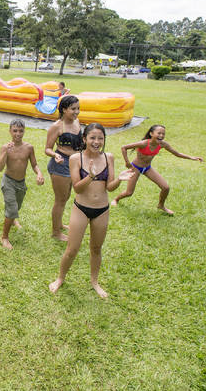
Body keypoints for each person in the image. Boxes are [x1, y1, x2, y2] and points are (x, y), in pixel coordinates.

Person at [49, 123, 134, 298]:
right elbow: (78, 189)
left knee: (96, 248)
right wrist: (90, 176)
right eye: (92, 138)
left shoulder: (109, 157)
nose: (96, 141)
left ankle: (94, 281)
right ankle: (60, 278)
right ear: (84, 139)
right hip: (81, 208)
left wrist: (119, 179)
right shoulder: (76, 159)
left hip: (102, 210)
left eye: (100, 138)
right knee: (72, 249)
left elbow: (109, 188)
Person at [111, 124, 203, 215]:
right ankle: (116, 199)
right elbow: (124, 147)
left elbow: (177, 153)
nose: (161, 136)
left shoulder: (163, 144)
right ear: (151, 133)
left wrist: (192, 157)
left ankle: (161, 205)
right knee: (129, 192)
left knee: (165, 187)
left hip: (147, 168)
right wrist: (127, 162)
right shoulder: (143, 143)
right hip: (136, 168)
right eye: (159, 133)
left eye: (163, 134)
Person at [0, 119, 44, 249]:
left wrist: (39, 173)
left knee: (17, 206)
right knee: (12, 209)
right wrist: (5, 152)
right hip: (8, 182)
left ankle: (13, 220)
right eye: (15, 131)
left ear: (24, 131)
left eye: (21, 131)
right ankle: (4, 237)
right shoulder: (5, 147)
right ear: (10, 131)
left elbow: (34, 164)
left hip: (21, 183)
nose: (18, 133)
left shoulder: (29, 148)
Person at [45, 95, 83, 241]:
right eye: (73, 109)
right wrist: (55, 155)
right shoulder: (57, 126)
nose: (76, 112)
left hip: (76, 163)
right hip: (61, 164)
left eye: (78, 108)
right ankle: (55, 232)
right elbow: (47, 148)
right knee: (60, 200)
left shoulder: (77, 122)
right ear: (64, 109)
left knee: (66, 197)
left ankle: (59, 224)